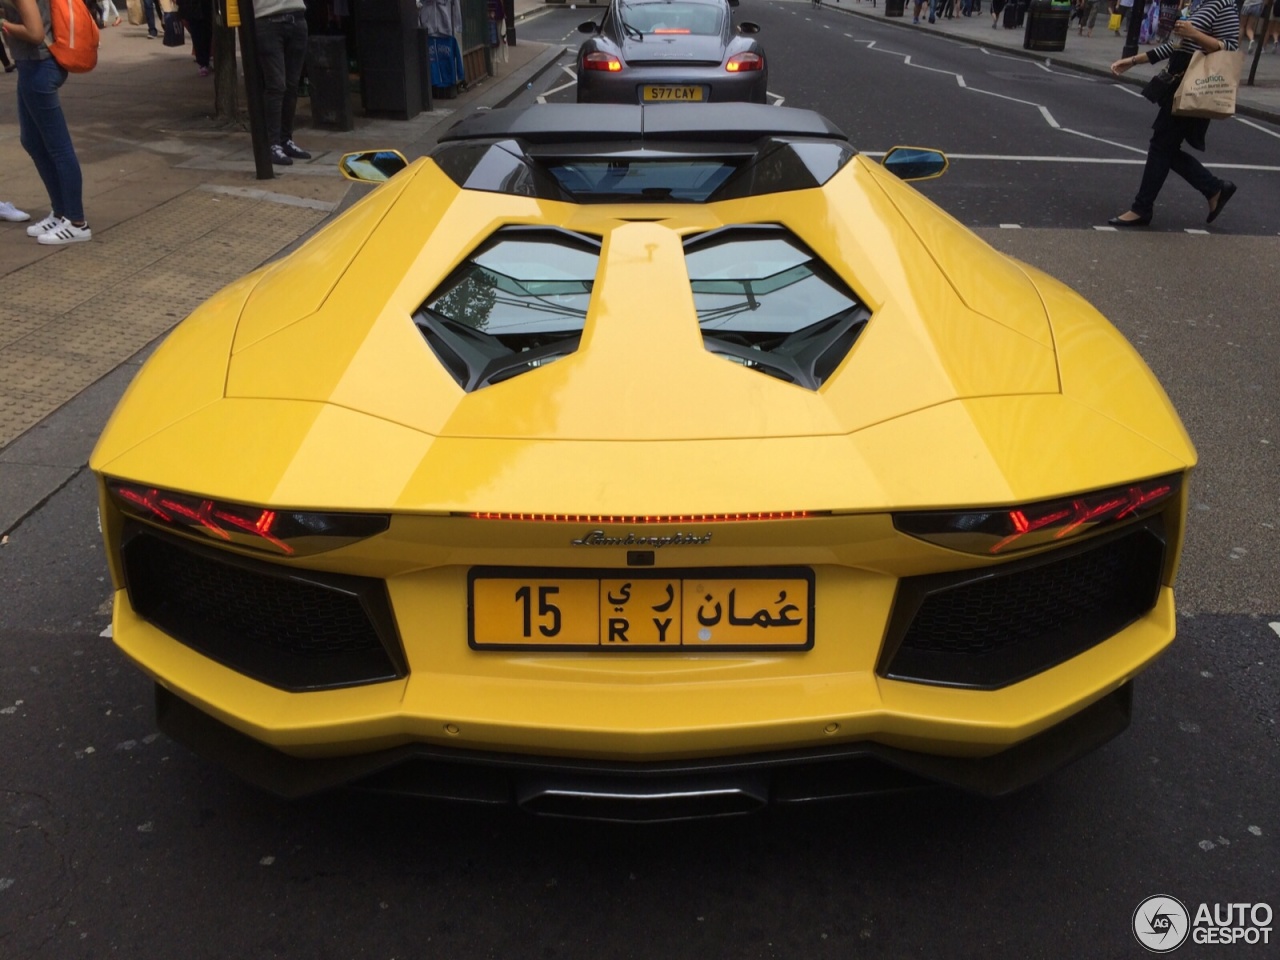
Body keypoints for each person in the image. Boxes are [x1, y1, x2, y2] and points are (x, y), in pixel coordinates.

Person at [1107, 0, 1240, 227]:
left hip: (1194, 81)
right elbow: (1176, 46)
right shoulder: (1199, 3)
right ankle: (1214, 188)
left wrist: (1195, 33)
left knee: (1162, 145)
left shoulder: (1222, 4)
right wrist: (1133, 60)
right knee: (1164, 146)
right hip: (1177, 78)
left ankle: (1143, 208)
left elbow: (1230, 47)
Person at [0, 0, 93, 243]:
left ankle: (76, 222)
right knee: (32, 141)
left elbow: (35, 32)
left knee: (58, 147)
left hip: (39, 65)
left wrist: (3, 24)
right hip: (33, 66)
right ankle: (61, 211)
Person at [254, 0, 311, 166]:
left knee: (291, 86)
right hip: (268, 19)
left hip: (297, 17)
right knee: (277, 86)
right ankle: (273, 144)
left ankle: (285, 139)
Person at [179, 0, 211, 75]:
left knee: (206, 33)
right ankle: (203, 63)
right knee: (197, 33)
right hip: (193, 7)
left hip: (205, 7)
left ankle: (204, 61)